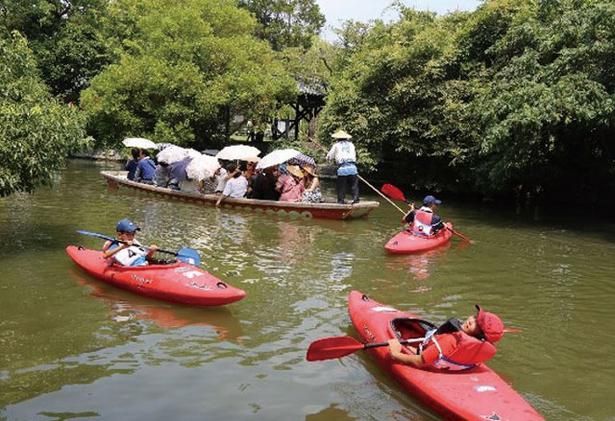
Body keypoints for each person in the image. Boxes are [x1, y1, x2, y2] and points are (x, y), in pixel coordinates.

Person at [388, 305, 504, 370]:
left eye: (477, 325)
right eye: (474, 317)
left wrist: (395, 354)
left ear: (481, 335)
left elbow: (419, 362)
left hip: (429, 362)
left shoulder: (451, 340)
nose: (471, 320)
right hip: (445, 366)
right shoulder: (480, 349)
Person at [326, 130, 359, 204]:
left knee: (341, 187)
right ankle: (356, 199)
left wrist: (328, 157)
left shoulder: (336, 145)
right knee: (354, 186)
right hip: (353, 168)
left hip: (342, 169)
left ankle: (341, 201)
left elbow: (329, 157)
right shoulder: (351, 144)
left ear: (337, 138)